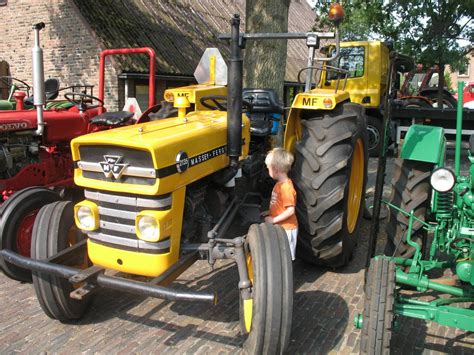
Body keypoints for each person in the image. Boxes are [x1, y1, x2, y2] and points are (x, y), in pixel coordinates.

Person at [262, 147, 298, 260]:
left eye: (268, 168)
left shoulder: (286, 188)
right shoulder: (279, 184)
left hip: (287, 228)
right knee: (279, 256)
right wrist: (269, 212)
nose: (268, 171)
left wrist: (273, 220)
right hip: (280, 227)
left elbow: (290, 211)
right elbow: (280, 204)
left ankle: (285, 277)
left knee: (285, 257)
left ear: (275, 170)